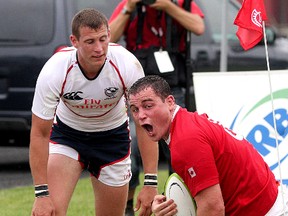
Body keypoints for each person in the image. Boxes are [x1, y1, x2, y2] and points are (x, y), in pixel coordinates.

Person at [29, 8, 158, 216]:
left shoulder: (127, 64)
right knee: (48, 213)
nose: (99, 48)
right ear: (75, 41)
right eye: (90, 42)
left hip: (112, 139)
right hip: (68, 137)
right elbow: (39, 133)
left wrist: (151, 181)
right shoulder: (55, 70)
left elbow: (145, 124)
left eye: (103, 39)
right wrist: (41, 194)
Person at [128, 75, 288, 216]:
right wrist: (168, 200)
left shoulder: (186, 140)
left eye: (148, 106)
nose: (141, 115)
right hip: (271, 201)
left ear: (170, 102)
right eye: (135, 109)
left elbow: (213, 208)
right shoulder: (186, 122)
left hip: (266, 210)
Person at [109, 1, 204, 214]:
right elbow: (109, 38)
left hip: (171, 89)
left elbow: (198, 27)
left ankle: (178, 204)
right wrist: (129, 8)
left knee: (180, 151)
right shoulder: (130, 5)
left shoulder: (179, 3)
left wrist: (168, 7)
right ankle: (128, 206)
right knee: (129, 151)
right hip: (137, 91)